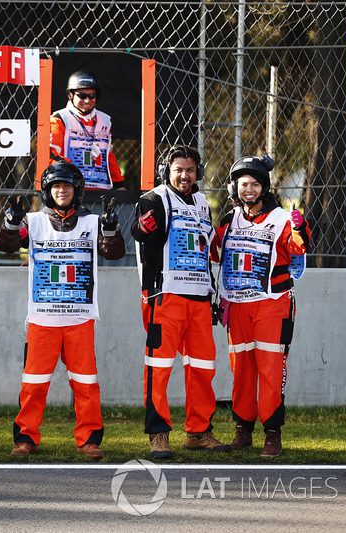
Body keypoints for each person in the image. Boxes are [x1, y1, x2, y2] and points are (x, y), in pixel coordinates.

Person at [0, 161, 125, 459]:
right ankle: (26, 437)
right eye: (56, 186)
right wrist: (11, 224)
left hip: (80, 318)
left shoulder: (93, 222)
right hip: (43, 318)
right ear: (47, 190)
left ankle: (89, 439)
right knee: (34, 382)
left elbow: (114, 252)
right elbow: (8, 246)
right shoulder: (33, 220)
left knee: (86, 383)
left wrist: (111, 230)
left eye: (67, 185)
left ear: (76, 190)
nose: (61, 190)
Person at [130, 145, 230, 459]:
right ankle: (158, 435)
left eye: (189, 170)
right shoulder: (154, 198)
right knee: (158, 368)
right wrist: (141, 227)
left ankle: (199, 432)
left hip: (199, 299)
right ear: (167, 171)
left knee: (202, 368)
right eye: (178, 170)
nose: (184, 176)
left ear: (197, 172)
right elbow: (138, 231)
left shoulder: (202, 202)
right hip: (165, 298)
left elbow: (211, 248)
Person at [211, 154, 311, 458]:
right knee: (241, 369)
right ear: (234, 188)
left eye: (255, 184)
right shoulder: (229, 219)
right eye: (244, 184)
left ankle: (272, 432)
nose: (249, 189)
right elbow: (215, 253)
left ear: (264, 187)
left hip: (272, 304)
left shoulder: (281, 218)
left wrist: (299, 226)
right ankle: (243, 429)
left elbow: (299, 247)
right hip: (238, 305)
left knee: (270, 368)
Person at [50, 70, 125, 190]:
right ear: (71, 95)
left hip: (101, 191)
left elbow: (107, 156)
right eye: (82, 96)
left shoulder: (105, 120)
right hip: (71, 190)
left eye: (92, 96)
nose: (87, 100)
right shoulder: (59, 119)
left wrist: (118, 184)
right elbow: (52, 155)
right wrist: (71, 178)